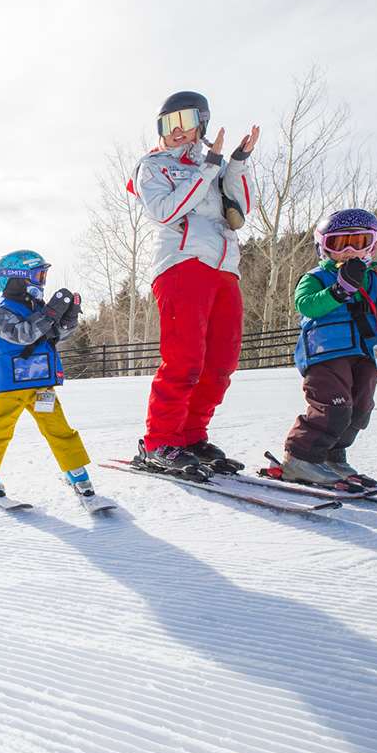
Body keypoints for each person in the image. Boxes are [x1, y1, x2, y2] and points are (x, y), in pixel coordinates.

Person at [130, 90, 259, 474]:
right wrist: (208, 168)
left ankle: (190, 435)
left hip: (224, 267)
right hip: (181, 265)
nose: (178, 131)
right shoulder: (153, 165)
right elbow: (164, 210)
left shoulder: (214, 166)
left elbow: (241, 210)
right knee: (184, 360)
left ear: (201, 124)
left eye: (186, 122)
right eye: (169, 124)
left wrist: (235, 163)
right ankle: (161, 441)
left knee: (221, 362)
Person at [278, 208, 377, 487]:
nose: (350, 250)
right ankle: (301, 457)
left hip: (368, 352)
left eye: (360, 242)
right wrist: (338, 290)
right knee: (333, 406)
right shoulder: (316, 277)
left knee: (360, 408)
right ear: (323, 247)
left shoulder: (375, 278)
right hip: (328, 354)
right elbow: (306, 305)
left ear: (372, 245)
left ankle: (332, 456)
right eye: (339, 244)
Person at [0, 250, 107, 510]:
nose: (41, 282)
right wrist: (52, 313)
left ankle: (76, 472)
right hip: (13, 385)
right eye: (37, 275)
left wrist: (68, 317)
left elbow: (55, 334)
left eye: (43, 275)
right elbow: (24, 335)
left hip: (41, 382)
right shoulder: (1, 313)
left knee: (59, 429)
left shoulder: (37, 309)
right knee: (0, 428)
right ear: (17, 279)